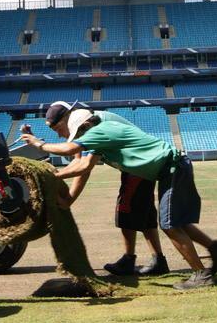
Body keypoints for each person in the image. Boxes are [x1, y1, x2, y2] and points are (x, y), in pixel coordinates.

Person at [23, 105, 217, 290]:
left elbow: (73, 152)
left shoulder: (101, 131)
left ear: (85, 124)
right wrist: (56, 176)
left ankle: (201, 275)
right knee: (176, 222)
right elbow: (82, 165)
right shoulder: (99, 129)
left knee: (169, 224)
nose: (79, 135)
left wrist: (38, 145)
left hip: (172, 168)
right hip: (170, 168)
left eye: (79, 131)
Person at [46, 102, 169, 276]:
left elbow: (84, 167)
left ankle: (129, 259)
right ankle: (158, 260)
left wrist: (67, 197)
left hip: (137, 166)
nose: (59, 134)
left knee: (125, 209)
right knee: (146, 214)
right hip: (137, 166)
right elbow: (77, 161)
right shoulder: (86, 124)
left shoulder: (95, 126)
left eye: (58, 128)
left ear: (68, 117)